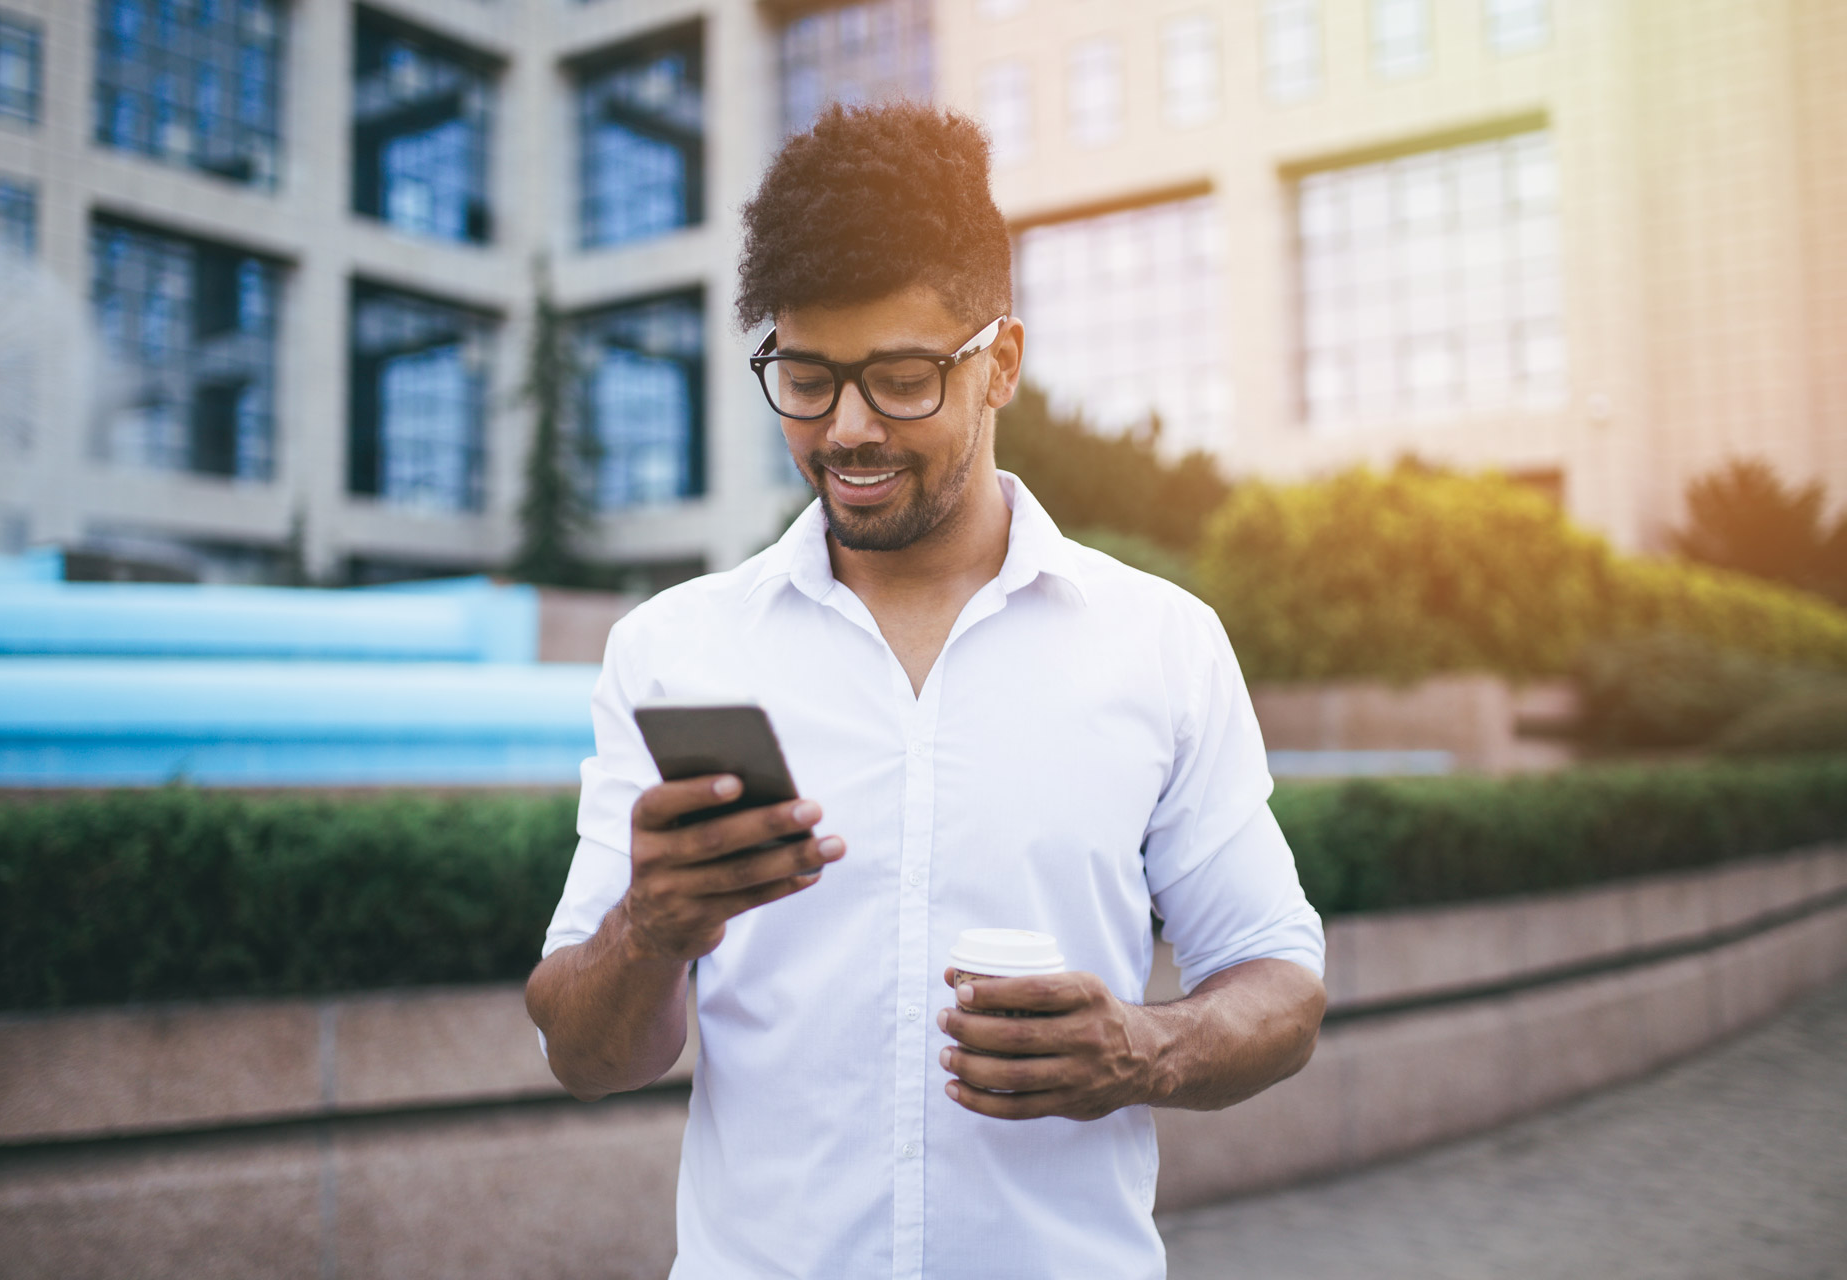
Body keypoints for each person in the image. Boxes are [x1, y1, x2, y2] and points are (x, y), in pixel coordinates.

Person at [525, 102, 1326, 1280]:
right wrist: (652, 928)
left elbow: (1280, 984)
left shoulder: (1162, 643)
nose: (846, 429)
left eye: (900, 379)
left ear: (999, 360)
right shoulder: (674, 649)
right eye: (804, 378)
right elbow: (586, 1053)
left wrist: (1141, 1049)